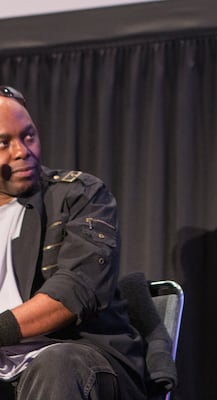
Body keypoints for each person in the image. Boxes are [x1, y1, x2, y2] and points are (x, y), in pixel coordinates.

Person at [0, 85, 146, 399]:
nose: (22, 151)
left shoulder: (79, 195)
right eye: (3, 142)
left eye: (28, 136)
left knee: (56, 362)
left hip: (82, 360)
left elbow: (75, 291)